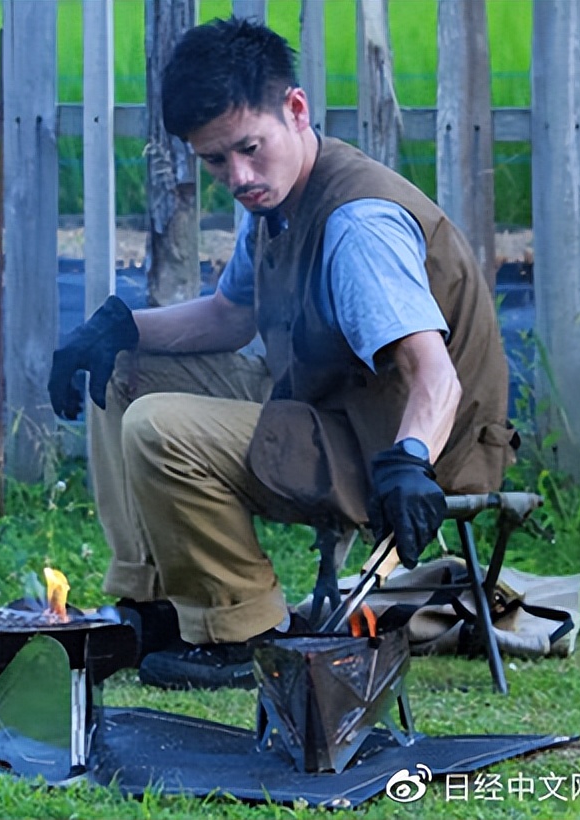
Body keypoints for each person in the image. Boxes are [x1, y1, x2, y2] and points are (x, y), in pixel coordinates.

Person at [48, 17, 515, 691]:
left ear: (295, 109)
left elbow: (432, 375)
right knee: (122, 372)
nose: (237, 176)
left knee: (159, 427)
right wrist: (116, 327)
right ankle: (151, 607)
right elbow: (230, 315)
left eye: (248, 148)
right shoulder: (280, 198)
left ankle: (244, 632)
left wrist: (412, 462)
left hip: (407, 452)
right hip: (333, 418)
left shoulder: (358, 224)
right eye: (215, 161)